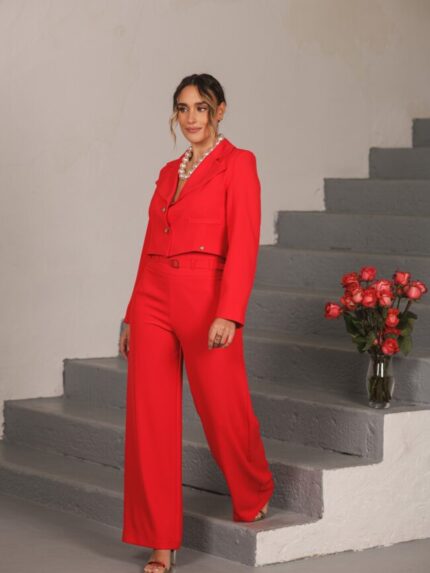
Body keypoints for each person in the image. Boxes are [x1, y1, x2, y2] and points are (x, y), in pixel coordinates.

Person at [119, 73, 274, 573]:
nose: (191, 118)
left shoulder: (238, 163)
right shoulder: (169, 171)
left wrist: (230, 311)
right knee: (149, 420)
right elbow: (150, 242)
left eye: (201, 108)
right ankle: (159, 541)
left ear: (219, 111)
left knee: (222, 407)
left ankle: (253, 488)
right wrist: (131, 312)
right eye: (183, 108)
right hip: (153, 296)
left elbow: (244, 241)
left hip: (206, 296)